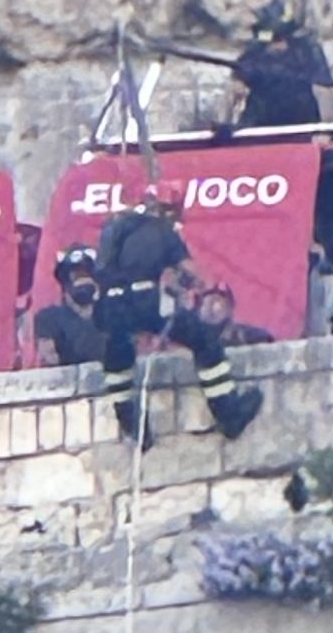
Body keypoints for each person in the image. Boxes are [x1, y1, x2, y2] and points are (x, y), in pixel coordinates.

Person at [94, 182, 263, 447]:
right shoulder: (164, 230)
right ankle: (228, 412)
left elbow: (106, 268)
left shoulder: (112, 228)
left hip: (109, 306)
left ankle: (132, 423)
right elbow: (192, 272)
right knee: (204, 340)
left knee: (118, 353)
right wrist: (199, 286)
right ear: (169, 209)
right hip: (145, 301)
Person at [231, 2, 332, 130]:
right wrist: (225, 124)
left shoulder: (308, 50)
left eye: (281, 37)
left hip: (302, 124)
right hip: (258, 124)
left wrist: (325, 131)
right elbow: (234, 89)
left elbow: (324, 91)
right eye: (272, 39)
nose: (278, 44)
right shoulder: (255, 51)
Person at [33, 245, 108, 368]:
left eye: (87, 274)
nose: (82, 280)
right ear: (65, 281)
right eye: (76, 276)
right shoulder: (49, 318)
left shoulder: (115, 314)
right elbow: (49, 359)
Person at [195, 281, 273, 350]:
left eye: (217, 301)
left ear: (230, 308)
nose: (216, 307)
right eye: (210, 301)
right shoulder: (197, 341)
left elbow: (270, 346)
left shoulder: (247, 334)